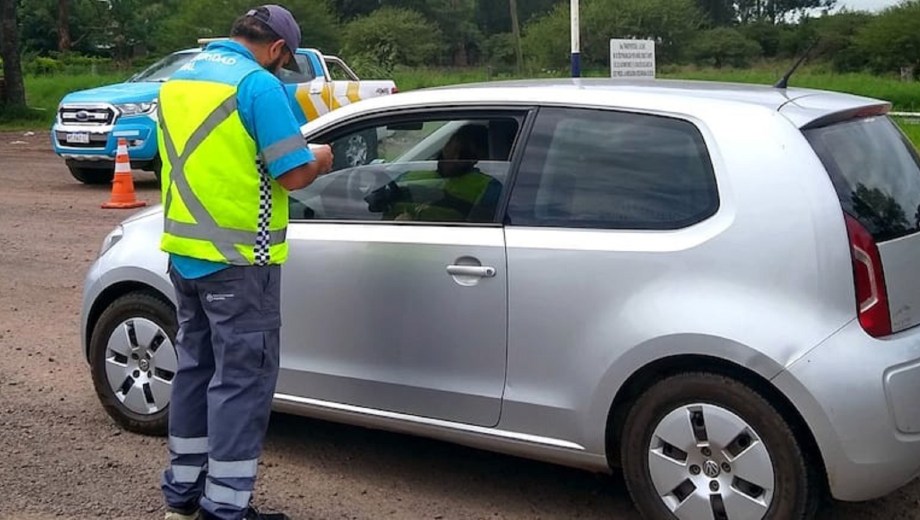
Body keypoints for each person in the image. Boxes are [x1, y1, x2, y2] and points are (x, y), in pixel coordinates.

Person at [157, 5, 333, 520]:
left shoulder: (178, 79)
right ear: (278, 49)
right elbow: (294, 175)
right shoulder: (259, 87)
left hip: (185, 254)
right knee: (241, 383)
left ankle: (183, 495)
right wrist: (320, 157)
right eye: (288, 59)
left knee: (194, 371)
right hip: (240, 260)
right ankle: (226, 509)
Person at [374, 124, 502, 222]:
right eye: (453, 149)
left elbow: (486, 228)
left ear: (479, 159)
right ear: (446, 146)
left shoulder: (489, 187)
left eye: (465, 155)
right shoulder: (412, 174)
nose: (455, 158)